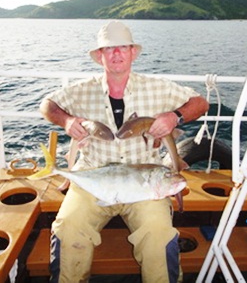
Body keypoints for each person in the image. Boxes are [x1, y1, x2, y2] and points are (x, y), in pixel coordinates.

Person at [40, 21, 209, 283]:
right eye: (109, 49)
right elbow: (47, 105)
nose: (116, 54)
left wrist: (175, 116)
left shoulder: (158, 87)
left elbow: (200, 103)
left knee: (158, 233)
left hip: (146, 179)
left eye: (122, 48)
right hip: (93, 176)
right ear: (100, 56)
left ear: (132, 52)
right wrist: (67, 121)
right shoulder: (81, 90)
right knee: (68, 229)